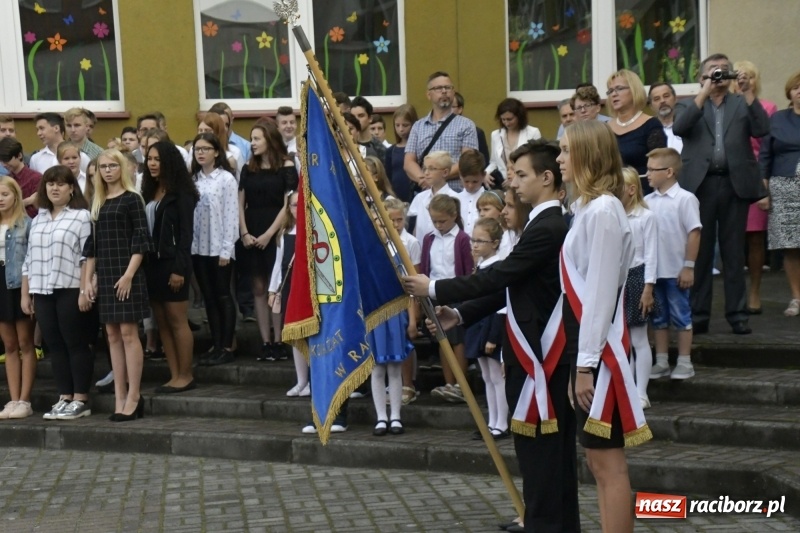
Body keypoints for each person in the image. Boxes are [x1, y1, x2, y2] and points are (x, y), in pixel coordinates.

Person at [403, 139, 575, 532]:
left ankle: (546, 525)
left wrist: (435, 289)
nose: (513, 181)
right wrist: (460, 312)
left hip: (540, 356)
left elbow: (501, 275)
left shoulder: (548, 226)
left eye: (521, 175)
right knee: (541, 459)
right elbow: (508, 288)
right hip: (532, 353)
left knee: (544, 459)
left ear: (546, 179)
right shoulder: (540, 224)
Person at [557, 120, 651, 533]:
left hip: (600, 349)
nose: (559, 159)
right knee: (596, 459)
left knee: (607, 460)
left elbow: (597, 293)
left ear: (587, 155)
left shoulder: (604, 211)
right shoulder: (586, 209)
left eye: (565, 150)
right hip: (589, 345)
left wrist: (584, 364)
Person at [673, 53, 770, 335]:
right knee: (700, 253)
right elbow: (680, 128)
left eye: (724, 71)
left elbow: (762, 129)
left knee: (732, 252)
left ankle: (737, 314)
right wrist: (703, 92)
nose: (719, 77)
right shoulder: (689, 105)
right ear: (702, 76)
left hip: (733, 185)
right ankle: (699, 314)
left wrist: (749, 92)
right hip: (699, 186)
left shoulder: (742, 103)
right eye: (713, 72)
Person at [82, 149, 151, 422]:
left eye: (112, 165)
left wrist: (129, 275)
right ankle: (119, 395)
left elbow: (141, 240)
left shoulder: (132, 198)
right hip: (107, 272)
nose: (108, 170)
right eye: (103, 166)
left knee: (128, 333)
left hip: (127, 272)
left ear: (122, 168)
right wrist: (88, 278)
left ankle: (134, 395)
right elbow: (92, 245)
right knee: (111, 335)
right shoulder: (97, 201)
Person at [24, 165, 93, 420]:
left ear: (71, 188)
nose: (54, 188)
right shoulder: (39, 218)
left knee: (74, 343)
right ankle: (64, 396)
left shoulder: (81, 216)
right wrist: (26, 292)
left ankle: (81, 399)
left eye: (60, 184)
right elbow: (29, 258)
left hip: (71, 287)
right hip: (42, 288)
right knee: (54, 344)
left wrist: (86, 289)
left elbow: (87, 257)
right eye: (50, 183)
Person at [141, 141, 198, 393]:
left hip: (173, 264)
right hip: (151, 264)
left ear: (169, 162)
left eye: (157, 159)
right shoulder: (149, 191)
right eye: (149, 159)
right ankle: (174, 374)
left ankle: (186, 375)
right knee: (162, 322)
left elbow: (186, 235)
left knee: (177, 320)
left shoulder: (182, 194)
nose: (152, 164)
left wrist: (179, 269)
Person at [239, 122, 297, 362]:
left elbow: (288, 205)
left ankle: (281, 340)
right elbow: (239, 202)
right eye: (251, 138)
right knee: (259, 287)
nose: (252, 143)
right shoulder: (247, 167)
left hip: (276, 231)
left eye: (257, 138)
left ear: (270, 140)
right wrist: (244, 232)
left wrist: (270, 234)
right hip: (251, 229)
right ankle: (265, 341)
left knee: (277, 288)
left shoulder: (286, 166)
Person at [645, 148, 702, 382]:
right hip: (654, 273)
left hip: (676, 270)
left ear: (669, 172)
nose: (646, 174)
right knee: (658, 318)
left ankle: (685, 361)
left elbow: (694, 232)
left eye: (651, 169)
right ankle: (661, 361)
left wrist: (688, 266)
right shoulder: (647, 201)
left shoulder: (685, 199)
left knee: (681, 316)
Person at [732, 60, 778, 314]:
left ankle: (755, 291)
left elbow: (767, 147)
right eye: (739, 76)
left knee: (756, 239)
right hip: (731, 179)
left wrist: (764, 184)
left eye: (748, 76)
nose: (742, 80)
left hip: (755, 178)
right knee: (732, 240)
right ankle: (735, 292)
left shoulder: (767, 107)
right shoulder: (726, 106)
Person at [190, 133, 239, 366]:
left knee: (222, 294)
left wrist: (227, 249)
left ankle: (227, 346)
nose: (200, 153)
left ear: (216, 152)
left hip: (220, 246)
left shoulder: (226, 179)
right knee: (208, 297)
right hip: (199, 247)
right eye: (197, 149)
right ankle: (216, 343)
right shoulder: (193, 180)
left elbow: (231, 215)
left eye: (205, 148)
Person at [419, 194, 473, 403]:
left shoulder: (462, 239)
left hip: (456, 292)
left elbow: (467, 270)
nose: (439, 225)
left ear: (454, 216)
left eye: (442, 221)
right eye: (435, 221)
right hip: (434, 293)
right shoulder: (429, 239)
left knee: (457, 340)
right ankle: (448, 383)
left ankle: (461, 384)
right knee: (442, 339)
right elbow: (425, 268)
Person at [369, 215, 416, 437]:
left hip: (396, 316)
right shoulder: (366, 256)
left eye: (384, 225)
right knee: (377, 369)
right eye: (378, 225)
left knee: (395, 367)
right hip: (374, 317)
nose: (382, 229)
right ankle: (381, 416)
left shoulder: (399, 254)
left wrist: (412, 320)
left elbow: (410, 291)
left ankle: (395, 415)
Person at [759, 70, 800, 317]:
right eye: (796, 87)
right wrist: (763, 191)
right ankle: (797, 298)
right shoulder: (778, 119)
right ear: (790, 92)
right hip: (784, 187)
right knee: (791, 245)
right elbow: (765, 155)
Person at [464, 217, 508, 439]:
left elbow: (499, 306)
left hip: (492, 327)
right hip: (478, 327)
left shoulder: (498, 267)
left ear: (495, 243)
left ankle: (502, 423)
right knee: (486, 377)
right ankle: (491, 421)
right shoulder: (480, 267)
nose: (475, 244)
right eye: (473, 240)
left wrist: (493, 336)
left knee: (496, 377)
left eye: (481, 240)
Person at [620, 167, 657, 408]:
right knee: (623, 339)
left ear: (632, 190)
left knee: (639, 338)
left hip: (638, 276)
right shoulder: (614, 215)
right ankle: (627, 389)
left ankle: (641, 392)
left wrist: (648, 288)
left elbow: (652, 255)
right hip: (619, 279)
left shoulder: (646, 217)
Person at [404, 72, 479, 192]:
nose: (444, 91)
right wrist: (424, 179)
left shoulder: (466, 125)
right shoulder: (418, 126)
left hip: (455, 195)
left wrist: (437, 178)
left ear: (453, 92)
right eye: (438, 88)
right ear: (429, 94)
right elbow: (409, 162)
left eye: (448, 87)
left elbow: (467, 162)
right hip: (426, 195)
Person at [0, 177, 35, 420]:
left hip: (18, 283)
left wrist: (28, 292)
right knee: (9, 345)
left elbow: (30, 260)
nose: (1, 199)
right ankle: (12, 400)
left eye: (4, 194)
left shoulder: (27, 224)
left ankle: (25, 399)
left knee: (25, 343)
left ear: (16, 196)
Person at [383, 198, 422, 405]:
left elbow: (416, 275)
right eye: (392, 220)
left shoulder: (411, 242)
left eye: (400, 220)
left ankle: (408, 384)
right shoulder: (380, 241)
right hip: (386, 298)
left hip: (406, 297)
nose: (397, 224)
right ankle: (390, 383)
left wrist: (414, 317)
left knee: (405, 341)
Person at [268, 192, 307, 391]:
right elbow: (279, 263)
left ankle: (311, 380)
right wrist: (273, 290)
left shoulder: (313, 231)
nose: (297, 209)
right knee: (293, 334)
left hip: (307, 289)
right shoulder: (285, 234)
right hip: (289, 286)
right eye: (293, 205)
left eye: (300, 205)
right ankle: (301, 380)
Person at [606, 69, 667, 194]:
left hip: (643, 194)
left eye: (619, 88)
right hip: (611, 195)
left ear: (634, 90)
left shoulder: (651, 125)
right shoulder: (605, 128)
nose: (614, 94)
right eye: (610, 91)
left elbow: (660, 165)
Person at [485, 98, 542, 187]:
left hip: (525, 184)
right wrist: (486, 173)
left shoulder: (533, 132)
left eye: (510, 119)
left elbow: (537, 161)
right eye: (503, 119)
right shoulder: (495, 135)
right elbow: (494, 162)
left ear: (519, 116)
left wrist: (517, 177)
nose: (506, 123)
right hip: (503, 185)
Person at [407, 151, 460, 242]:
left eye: (432, 169)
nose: (426, 173)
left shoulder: (454, 198)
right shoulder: (420, 198)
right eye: (425, 168)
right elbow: (417, 228)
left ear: (445, 172)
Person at [384, 104, 418, 203]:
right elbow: (388, 178)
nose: (401, 129)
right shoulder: (391, 151)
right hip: (397, 199)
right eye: (397, 125)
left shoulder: (418, 148)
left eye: (405, 125)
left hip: (415, 197)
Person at [0, 137, 41, 217]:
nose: (4, 164)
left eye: (7, 159)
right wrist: (27, 201)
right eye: (2, 161)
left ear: (19, 155)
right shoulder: (5, 180)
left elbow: (35, 211)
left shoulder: (36, 178)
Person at [197, 112, 243, 178]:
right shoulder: (194, 150)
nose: (203, 134)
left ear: (217, 132)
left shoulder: (234, 152)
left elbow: (239, 179)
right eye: (200, 130)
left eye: (207, 131)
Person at [456, 149, 486, 236]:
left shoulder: (489, 199)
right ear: (460, 176)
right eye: (466, 181)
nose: (470, 185)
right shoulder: (455, 199)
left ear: (483, 175)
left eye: (475, 182)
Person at [648, 82, 683, 153]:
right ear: (651, 106)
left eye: (666, 96)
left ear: (675, 99)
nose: (662, 101)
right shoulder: (648, 131)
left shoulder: (686, 124)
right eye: (657, 99)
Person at [350, 96, 387, 160]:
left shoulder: (379, 149)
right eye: (353, 116)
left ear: (370, 118)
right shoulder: (346, 145)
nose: (356, 120)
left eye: (361, 116)